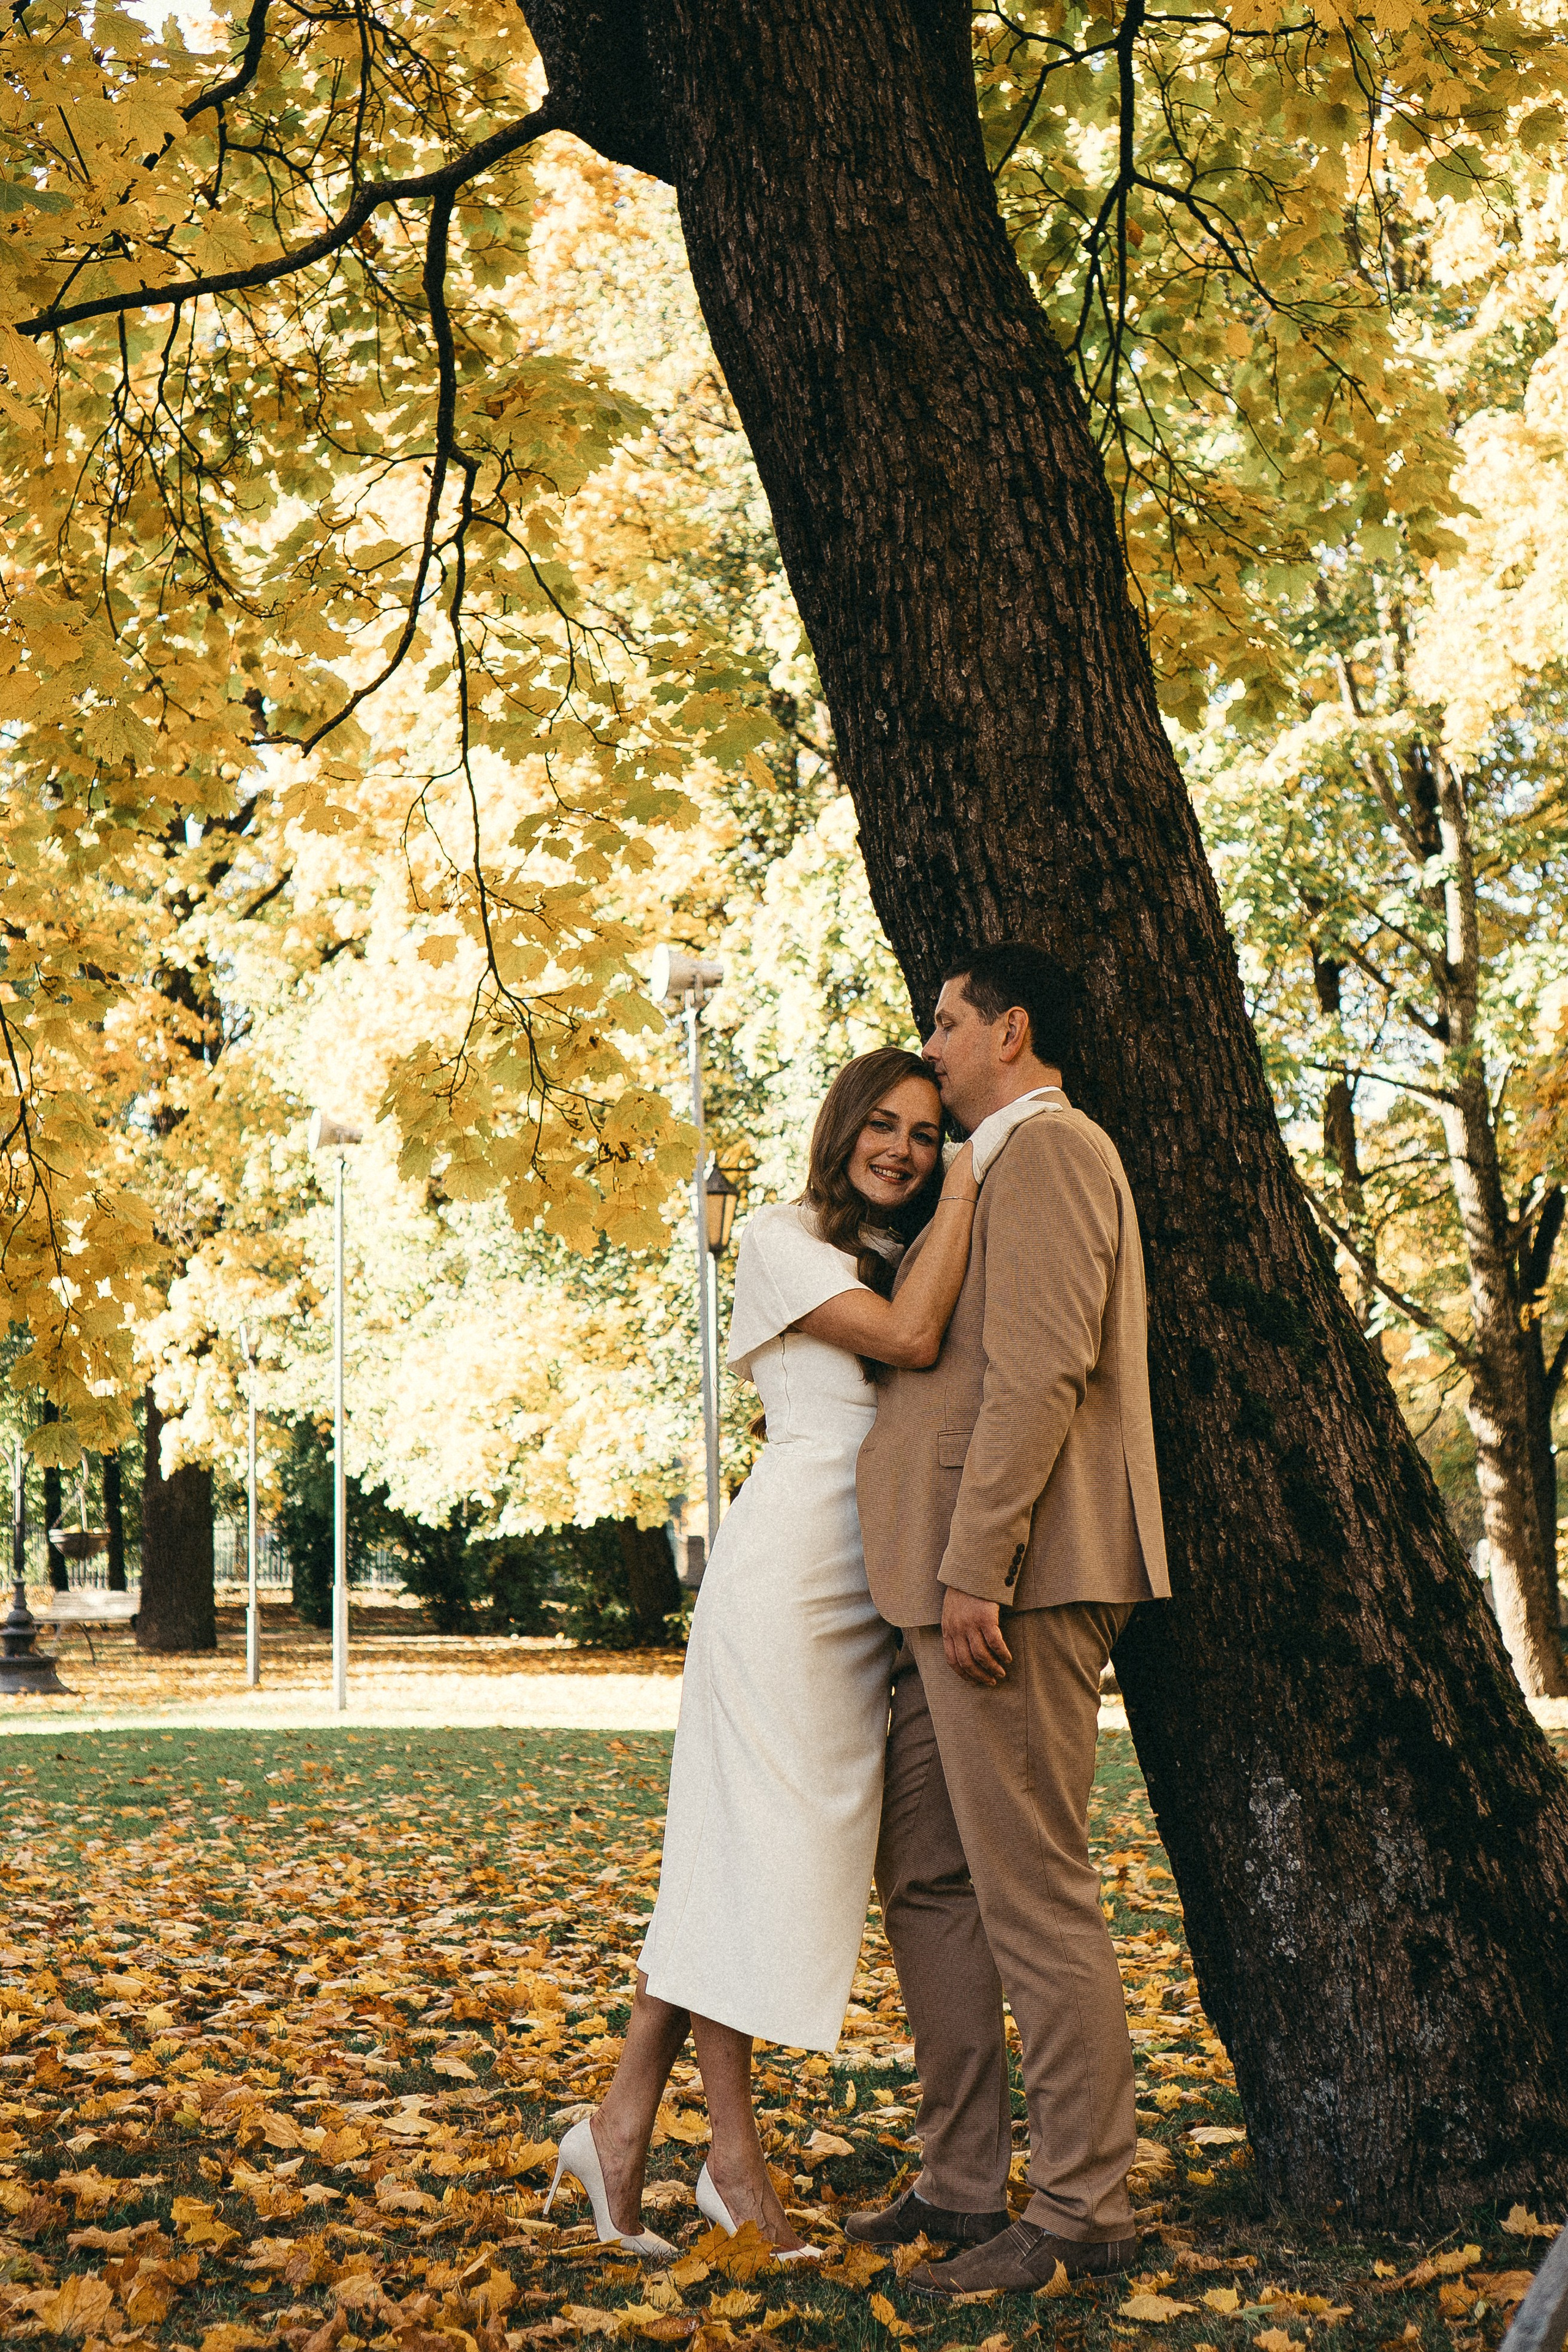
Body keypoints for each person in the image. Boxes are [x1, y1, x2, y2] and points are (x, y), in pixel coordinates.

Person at [545, 1046, 982, 2258]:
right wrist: (979, 1175)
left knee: (750, 1860)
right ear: (841, 1127)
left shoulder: (904, 1247)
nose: (902, 1148)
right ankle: (720, 2164)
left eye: (928, 1132)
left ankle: (626, 2123)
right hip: (786, 1576)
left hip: (870, 1588)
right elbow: (901, 1342)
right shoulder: (780, 1237)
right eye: (883, 1125)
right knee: (744, 1854)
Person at [849, 941, 1170, 2301]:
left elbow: (1043, 1365)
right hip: (942, 1587)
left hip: (1011, 1584)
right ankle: (959, 2182)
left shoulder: (1051, 1148)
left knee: (1034, 1895)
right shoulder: (993, 1163)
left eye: (944, 1024)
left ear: (1011, 1029)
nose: (927, 1050)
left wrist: (976, 1562)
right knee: (926, 1879)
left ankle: (1085, 2208)